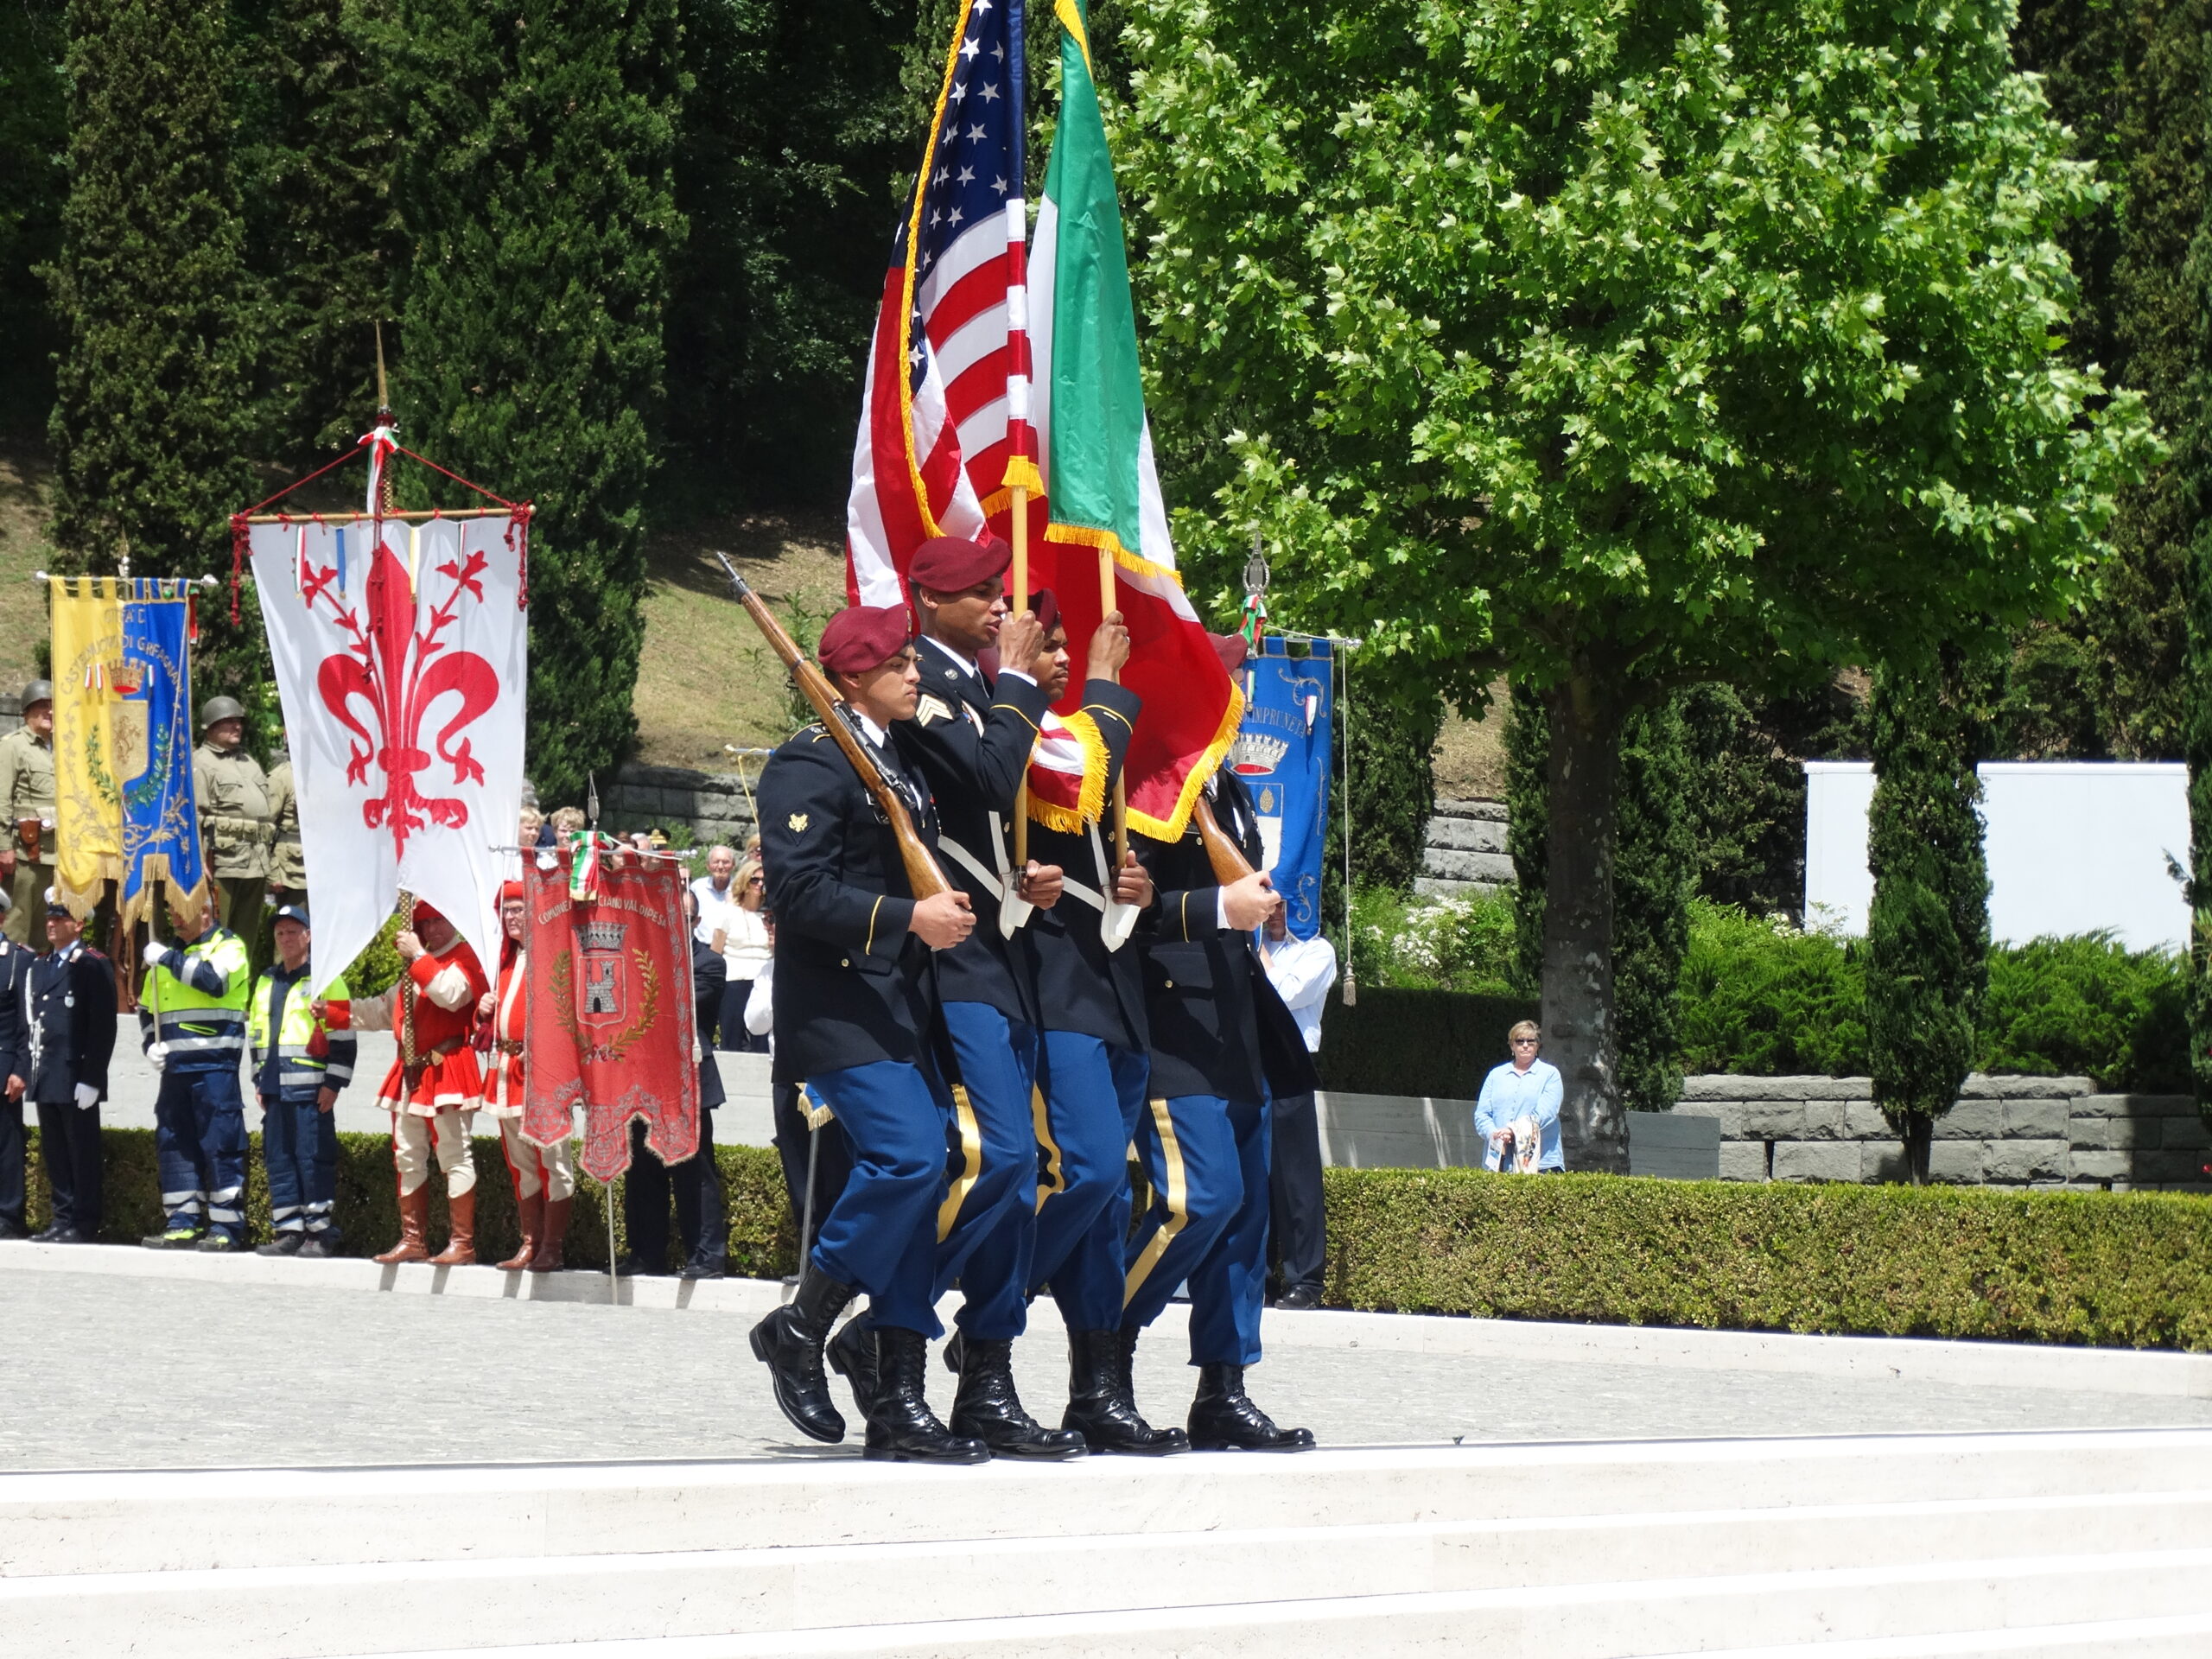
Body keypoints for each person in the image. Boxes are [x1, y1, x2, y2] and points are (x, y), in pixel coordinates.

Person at [838, 534, 1081, 1461]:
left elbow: (978, 814)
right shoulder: (931, 685)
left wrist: (1023, 879)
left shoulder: (969, 685)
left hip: (1003, 945)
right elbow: (984, 775)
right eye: (978, 591)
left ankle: (988, 1374)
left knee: (1028, 1178)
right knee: (994, 1160)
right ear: (926, 601)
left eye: (997, 589)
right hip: (954, 966)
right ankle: (891, 1338)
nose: (997, 604)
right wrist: (1017, 681)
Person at [747, 602, 988, 1465]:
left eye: (911, 658)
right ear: (850, 677)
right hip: (839, 1006)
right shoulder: (808, 763)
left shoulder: (899, 763)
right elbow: (799, 895)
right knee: (913, 1159)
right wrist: (905, 918)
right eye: (894, 663)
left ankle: (899, 1400)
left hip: (898, 1008)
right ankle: (802, 1323)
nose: (913, 671)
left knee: (930, 1188)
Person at [1124, 645, 1319, 1452]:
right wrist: (1216, 907)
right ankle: (1103, 1353)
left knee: (1240, 1219)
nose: (1238, 691)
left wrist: (1255, 911)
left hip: (1234, 1021)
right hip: (1171, 1026)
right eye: (1222, 678)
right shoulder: (1141, 783)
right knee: (1194, 1200)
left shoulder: (1227, 788)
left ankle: (1224, 1387)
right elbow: (1122, 917)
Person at [1013, 599, 1188, 1453]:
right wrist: (1105, 681)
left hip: (1109, 985)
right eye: (1047, 645)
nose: (1058, 658)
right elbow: (1068, 778)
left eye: (1063, 644)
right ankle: (977, 1327)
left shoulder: (1079, 738)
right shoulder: (1036, 735)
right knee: (1080, 1173)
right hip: (1052, 988)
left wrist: (1137, 891)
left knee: (1110, 1196)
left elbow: (1094, 837)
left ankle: (1098, 1388)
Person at [349, 900, 491, 1265]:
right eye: (425, 923)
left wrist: (416, 956)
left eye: (439, 920)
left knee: (455, 1156)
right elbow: (384, 1010)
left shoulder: (466, 956)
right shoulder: (417, 963)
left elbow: (451, 995)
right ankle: (413, 1240)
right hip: (411, 1071)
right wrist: (333, 1012)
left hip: (448, 1068)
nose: (432, 930)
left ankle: (463, 1244)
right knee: (408, 1157)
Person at [622, 889, 729, 1279]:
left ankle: (707, 1256)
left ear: (696, 922)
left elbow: (675, 1008)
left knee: (694, 1172)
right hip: (643, 1078)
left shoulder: (709, 963)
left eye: (683, 917)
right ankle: (646, 1255)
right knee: (642, 1170)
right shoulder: (639, 958)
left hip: (689, 1082)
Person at [138, 890, 253, 1250]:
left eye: (182, 911)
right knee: (174, 1144)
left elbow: (213, 981)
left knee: (221, 1144)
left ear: (207, 913)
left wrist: (169, 958)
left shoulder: (229, 946)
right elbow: (147, 1010)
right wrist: (149, 1046)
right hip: (174, 1069)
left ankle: (227, 1227)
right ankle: (182, 1221)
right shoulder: (165, 957)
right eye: (171, 910)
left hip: (215, 1066)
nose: (174, 917)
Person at [477, 880, 574, 1271]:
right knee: (521, 1163)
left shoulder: (556, 958)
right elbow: (493, 1020)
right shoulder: (503, 960)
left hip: (545, 1075)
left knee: (554, 1162)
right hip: (507, 1072)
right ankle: (530, 1243)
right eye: (507, 910)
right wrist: (483, 1009)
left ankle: (553, 1246)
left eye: (519, 908)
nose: (512, 917)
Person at [246, 905, 355, 1255]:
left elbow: (343, 1035)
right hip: (276, 1088)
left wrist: (333, 1083)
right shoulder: (266, 979)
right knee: (279, 1158)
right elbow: (257, 1033)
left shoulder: (327, 978)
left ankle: (319, 1233)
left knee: (314, 1158)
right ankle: (289, 1230)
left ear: (308, 936)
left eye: (293, 931)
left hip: (311, 1088)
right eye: (280, 933)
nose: (285, 938)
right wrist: (259, 1080)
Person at [750, 911, 854, 1262]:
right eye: (768, 922)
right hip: (786, 1079)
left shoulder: (823, 966)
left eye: (776, 921)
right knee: (799, 1175)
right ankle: (810, 1260)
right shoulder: (767, 972)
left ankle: (838, 1265)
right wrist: (779, 979)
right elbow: (754, 1023)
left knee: (835, 1171)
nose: (771, 929)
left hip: (827, 1080)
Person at [24, 893, 115, 1243]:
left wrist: (92, 1077)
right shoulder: (43, 964)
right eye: (49, 917)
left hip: (76, 1075)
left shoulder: (92, 963)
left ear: (78, 924)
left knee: (82, 1151)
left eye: (59, 918)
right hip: (48, 1073)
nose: (51, 923)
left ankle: (84, 1221)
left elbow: (103, 1026)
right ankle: (62, 1218)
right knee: (56, 1152)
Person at [1261, 906, 1338, 1310]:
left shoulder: (1318, 951)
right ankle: (1260, 1276)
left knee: (1295, 1179)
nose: (1275, 916)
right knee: (1253, 1175)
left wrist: (1258, 960)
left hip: (1290, 1063)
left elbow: (1283, 994)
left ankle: (1305, 1279)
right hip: (1250, 1060)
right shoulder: (1248, 942)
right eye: (1270, 907)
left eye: (1283, 908)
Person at [194, 697, 274, 949]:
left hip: (256, 862)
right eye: (229, 722)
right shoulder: (201, 761)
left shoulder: (248, 763)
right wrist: (198, 862)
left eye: (239, 722)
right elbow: (195, 815)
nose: (237, 727)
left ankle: (242, 985)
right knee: (217, 934)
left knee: (244, 939)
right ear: (211, 726)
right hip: (223, 863)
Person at [0, 681, 55, 947]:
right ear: (26, 712)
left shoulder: (61, 749)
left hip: (56, 854)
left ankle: (38, 985)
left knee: (47, 929)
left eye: (53, 706)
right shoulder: (13, 746)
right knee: (17, 926)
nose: (50, 712)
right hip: (25, 854)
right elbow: (1, 799)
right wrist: (3, 847)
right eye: (42, 706)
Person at [1475, 1020, 1564, 1173]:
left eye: (1531, 1041)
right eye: (1519, 1041)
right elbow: (1482, 1114)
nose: (1525, 1045)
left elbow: (1546, 1113)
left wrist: (1513, 1131)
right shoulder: (1495, 1075)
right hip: (1500, 1163)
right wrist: (1494, 1134)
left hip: (1541, 1163)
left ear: (1537, 1046)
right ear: (1512, 1046)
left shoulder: (1550, 1075)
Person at [0, 889, 29, 1237]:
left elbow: (26, 1022)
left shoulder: (18, 960)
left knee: (6, 1145)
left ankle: (8, 1214)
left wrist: (21, 1068)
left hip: (3, 1066)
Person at [264, 746, 308, 916]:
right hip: (292, 871)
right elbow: (266, 827)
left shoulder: (322, 775)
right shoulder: (281, 777)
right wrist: (273, 872)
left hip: (318, 867)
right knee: (292, 930)